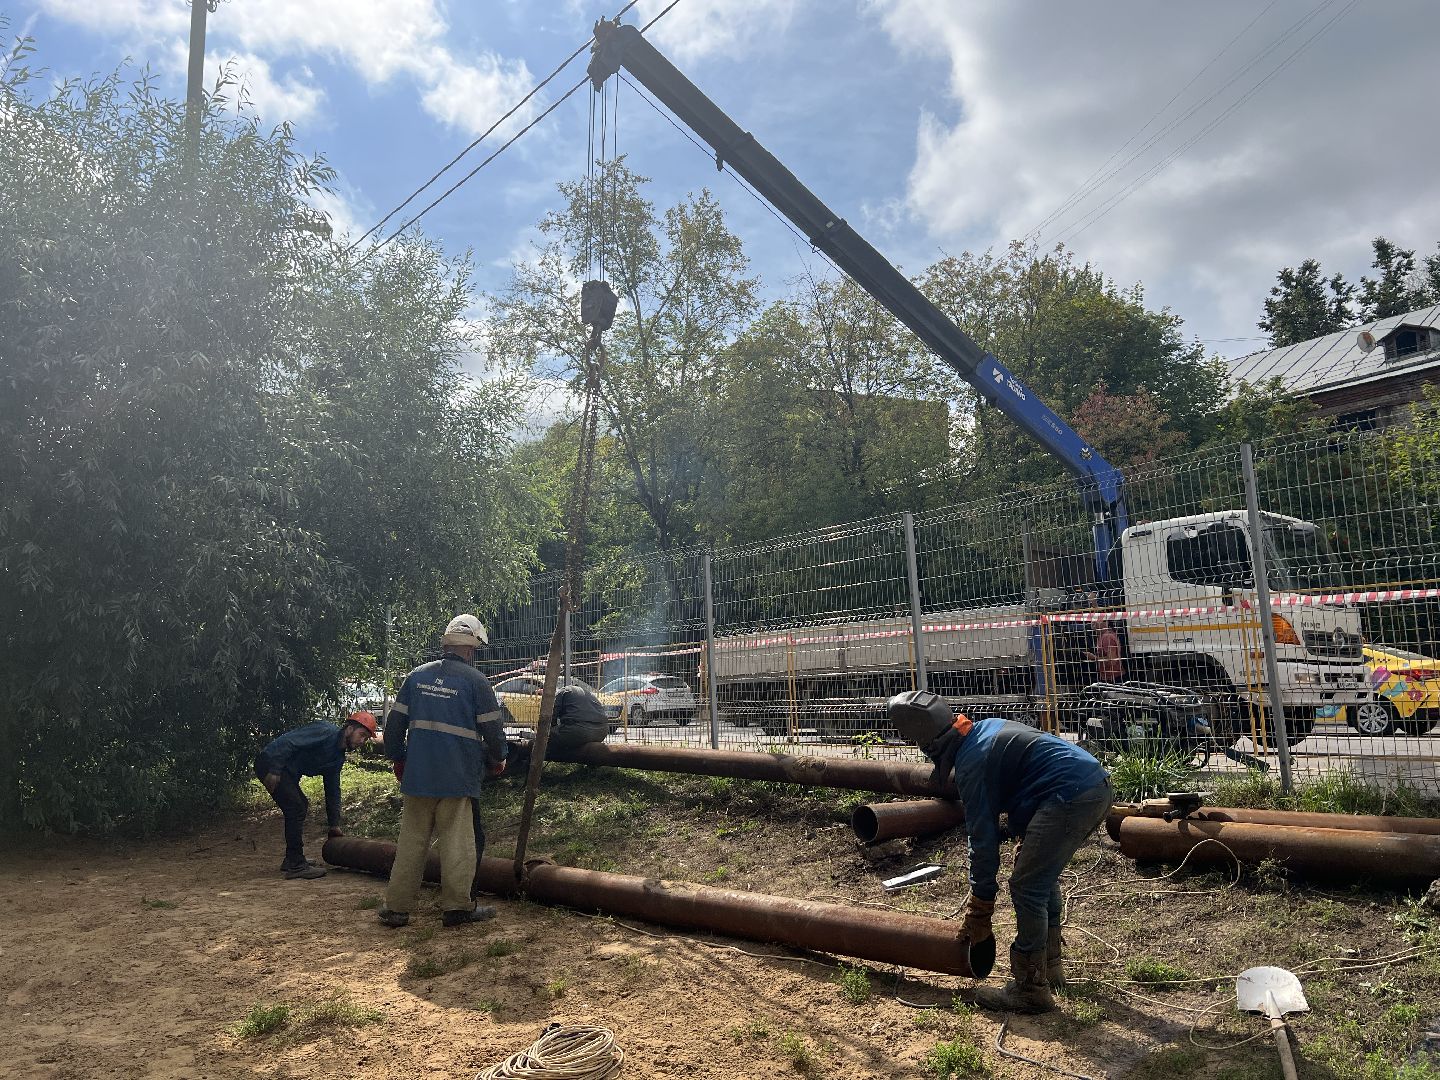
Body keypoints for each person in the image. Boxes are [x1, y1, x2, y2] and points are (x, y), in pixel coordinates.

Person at [887, 690, 1112, 1013]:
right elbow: (1026, 779)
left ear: (930, 744)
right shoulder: (985, 729)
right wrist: (1025, 835)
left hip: (1069, 795)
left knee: (1027, 886)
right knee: (1040, 878)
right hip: (1091, 784)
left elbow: (982, 839)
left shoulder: (972, 762)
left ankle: (1030, 989)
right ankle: (1050, 970)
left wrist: (980, 908)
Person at [378, 614, 508, 929]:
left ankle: (396, 908)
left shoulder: (416, 677)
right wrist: (499, 757)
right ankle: (458, 908)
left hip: (419, 774)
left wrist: (398, 758)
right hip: (457, 776)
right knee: (458, 843)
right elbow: (493, 731)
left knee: (411, 842)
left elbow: (393, 727)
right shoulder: (476, 682)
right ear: (472, 647)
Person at [254, 711, 377, 879]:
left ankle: (292, 859)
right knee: (297, 807)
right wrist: (274, 769)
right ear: (349, 729)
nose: (362, 741)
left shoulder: (337, 758)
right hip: (271, 762)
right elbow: (289, 742)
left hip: (285, 770)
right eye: (361, 735)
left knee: (299, 806)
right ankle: (296, 865)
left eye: (366, 738)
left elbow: (332, 789)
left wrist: (334, 824)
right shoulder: (326, 731)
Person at [504, 682, 610, 774]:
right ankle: (592, 765)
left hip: (579, 731)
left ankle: (529, 768)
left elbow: (551, 719)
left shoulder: (561, 693)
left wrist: (545, 735)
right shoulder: (587, 694)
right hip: (602, 732)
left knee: (542, 740)